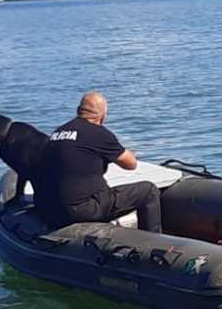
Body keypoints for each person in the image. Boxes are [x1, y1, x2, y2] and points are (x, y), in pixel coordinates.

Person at [37, 92, 162, 232]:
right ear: (103, 117)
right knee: (149, 190)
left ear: (79, 110)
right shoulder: (99, 133)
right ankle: (154, 239)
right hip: (82, 209)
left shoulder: (57, 133)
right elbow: (131, 164)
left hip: (49, 210)